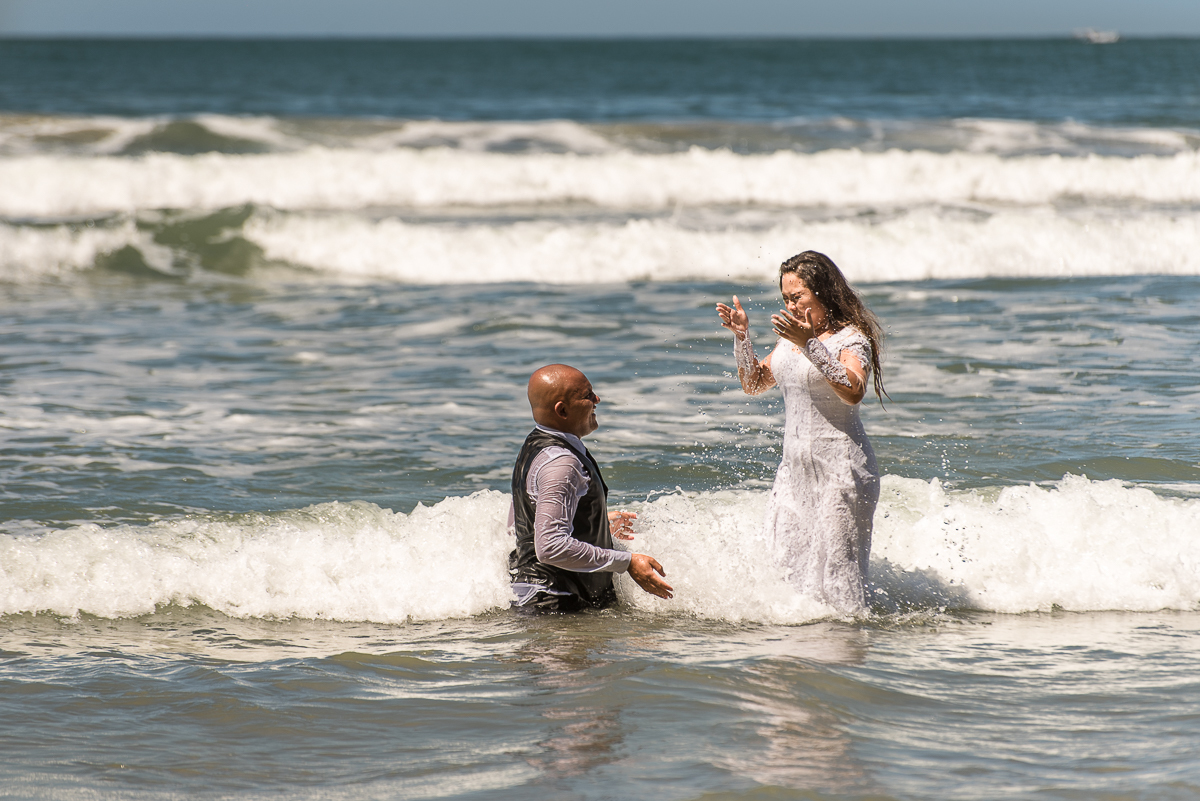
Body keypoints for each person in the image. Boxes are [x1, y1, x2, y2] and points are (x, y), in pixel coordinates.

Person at [716, 251, 885, 615]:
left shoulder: (850, 339)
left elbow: (853, 389)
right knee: (788, 567)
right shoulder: (791, 338)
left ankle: (845, 655)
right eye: (786, 299)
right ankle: (799, 657)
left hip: (842, 470)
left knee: (839, 578)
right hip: (794, 473)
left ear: (823, 292)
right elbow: (753, 382)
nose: (790, 305)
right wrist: (742, 337)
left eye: (798, 296)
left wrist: (810, 344)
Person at [508, 364, 674, 612]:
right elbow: (550, 547)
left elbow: (520, 525)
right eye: (588, 396)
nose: (597, 399)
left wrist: (590, 523)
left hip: (541, 601)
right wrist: (627, 562)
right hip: (555, 606)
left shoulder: (535, 446)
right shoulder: (562, 463)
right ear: (562, 410)